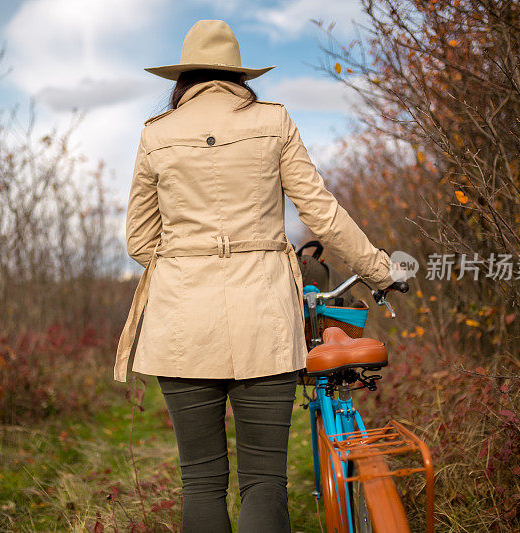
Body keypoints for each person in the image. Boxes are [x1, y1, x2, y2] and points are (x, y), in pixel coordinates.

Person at [114, 19, 396, 533]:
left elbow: (139, 241)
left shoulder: (156, 134)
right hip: (264, 319)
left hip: (181, 324)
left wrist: (188, 261)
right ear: (240, 76)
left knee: (199, 481)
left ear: (183, 77)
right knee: (264, 481)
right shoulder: (274, 120)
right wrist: (379, 270)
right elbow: (322, 214)